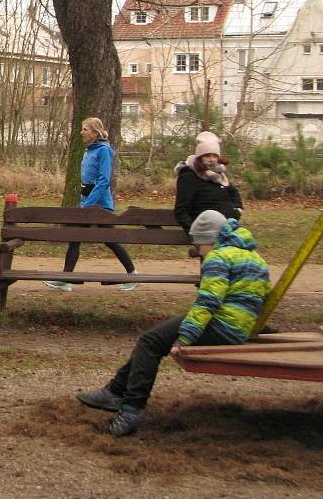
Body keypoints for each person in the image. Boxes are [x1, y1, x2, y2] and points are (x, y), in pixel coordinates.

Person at [75, 210, 271, 437]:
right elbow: (263, 300)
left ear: (210, 239)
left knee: (150, 341)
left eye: (198, 243)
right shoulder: (256, 259)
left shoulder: (218, 258)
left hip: (220, 325)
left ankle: (131, 410)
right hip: (237, 329)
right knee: (153, 339)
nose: (198, 250)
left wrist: (185, 337)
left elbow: (208, 303)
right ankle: (115, 391)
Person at [44, 117, 138, 293]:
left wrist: (88, 205)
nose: (82, 132)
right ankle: (65, 279)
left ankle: (133, 275)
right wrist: (85, 202)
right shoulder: (90, 150)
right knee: (76, 238)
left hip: (99, 205)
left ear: (95, 132)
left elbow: (103, 181)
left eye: (85, 129)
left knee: (109, 240)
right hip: (88, 203)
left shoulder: (104, 150)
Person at [174, 131, 243, 234]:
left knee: (246, 245)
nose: (212, 159)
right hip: (205, 233)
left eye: (215, 156)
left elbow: (233, 192)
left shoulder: (219, 174)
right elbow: (181, 210)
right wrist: (194, 231)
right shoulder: (189, 176)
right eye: (207, 156)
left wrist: (237, 210)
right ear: (200, 157)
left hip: (228, 230)